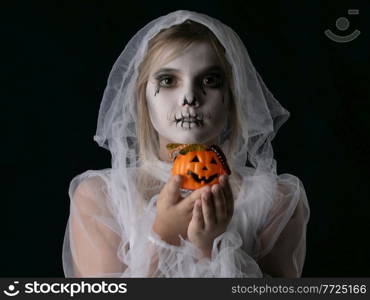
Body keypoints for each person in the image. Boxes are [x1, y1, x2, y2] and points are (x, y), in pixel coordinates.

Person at [62, 10, 310, 277]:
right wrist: (164, 236)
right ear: (142, 96)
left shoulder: (276, 201)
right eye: (168, 81)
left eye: (210, 80)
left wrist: (210, 249)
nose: (190, 97)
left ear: (232, 95)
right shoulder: (102, 198)